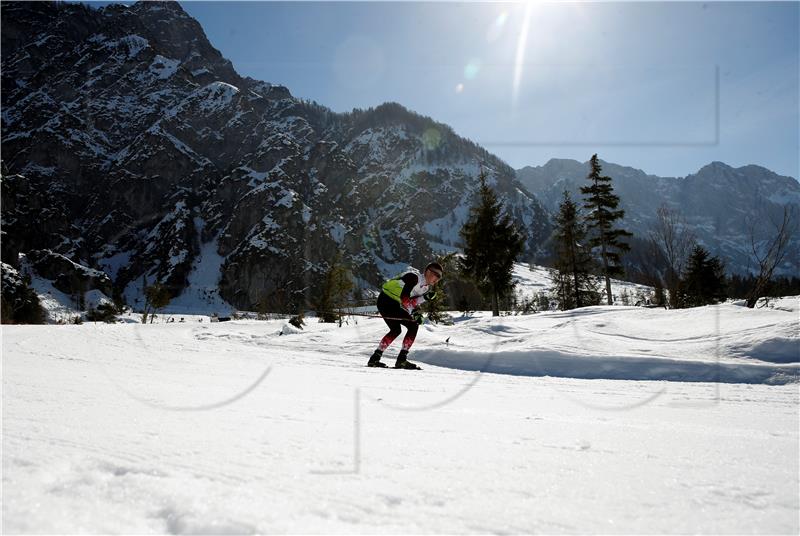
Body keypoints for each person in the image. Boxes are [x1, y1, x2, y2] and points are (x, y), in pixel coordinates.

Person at [367, 261, 443, 369]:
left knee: (397, 330)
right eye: (437, 275)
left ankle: (375, 359)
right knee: (412, 325)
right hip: (386, 300)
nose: (437, 279)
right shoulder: (413, 277)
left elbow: (413, 302)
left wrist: (424, 298)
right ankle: (401, 360)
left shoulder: (425, 288)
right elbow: (405, 298)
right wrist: (415, 313)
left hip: (394, 303)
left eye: (439, 277)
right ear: (428, 272)